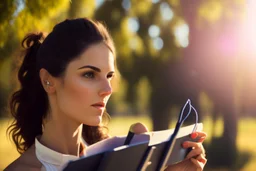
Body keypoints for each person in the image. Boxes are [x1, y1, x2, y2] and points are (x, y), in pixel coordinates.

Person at [4, 18, 207, 171]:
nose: (108, 89)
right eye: (89, 74)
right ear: (48, 80)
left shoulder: (117, 160)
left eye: (109, 76)